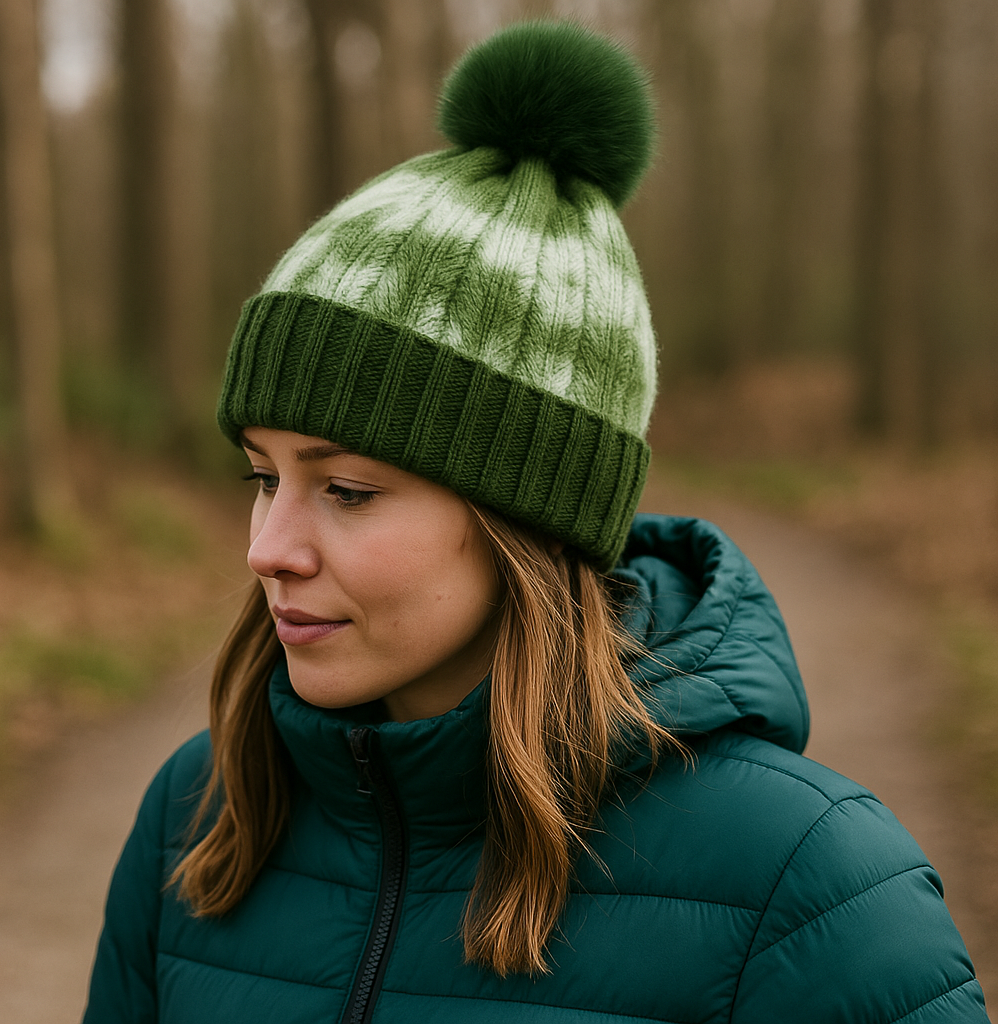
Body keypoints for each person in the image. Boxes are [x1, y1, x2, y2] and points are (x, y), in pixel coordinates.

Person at [82, 21, 989, 1024]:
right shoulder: (201, 816)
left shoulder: (808, 886)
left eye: (346, 490)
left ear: (528, 518)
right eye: (262, 476)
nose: (266, 550)